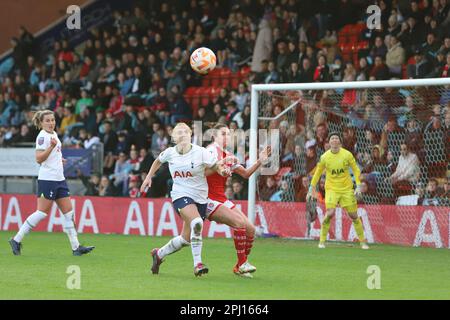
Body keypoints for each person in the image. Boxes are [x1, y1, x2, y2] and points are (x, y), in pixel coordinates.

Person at [140, 123, 231, 277]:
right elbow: (158, 161)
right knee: (197, 223)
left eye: (185, 132)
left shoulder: (200, 152)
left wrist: (223, 171)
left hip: (200, 198)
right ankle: (198, 264)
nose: (182, 134)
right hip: (180, 195)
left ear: (190, 135)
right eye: (179, 132)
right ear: (174, 138)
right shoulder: (170, 152)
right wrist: (148, 177)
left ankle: (159, 254)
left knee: (185, 239)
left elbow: (216, 166)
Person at [9, 110, 94, 256]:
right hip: (48, 179)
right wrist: (51, 148)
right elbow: (38, 158)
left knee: (69, 213)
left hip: (59, 178)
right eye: (47, 121)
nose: (51, 123)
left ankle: (76, 247)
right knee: (42, 213)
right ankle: (16, 239)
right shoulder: (42, 136)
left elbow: (51, 154)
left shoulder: (53, 134)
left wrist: (58, 159)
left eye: (53, 120)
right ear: (41, 123)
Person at [205, 124, 270, 278]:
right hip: (208, 198)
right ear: (214, 136)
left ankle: (240, 265)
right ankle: (242, 264)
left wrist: (260, 161)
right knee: (240, 224)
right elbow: (202, 172)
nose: (227, 137)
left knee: (251, 229)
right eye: (223, 134)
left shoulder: (228, 154)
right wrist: (222, 163)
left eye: (229, 134)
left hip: (221, 198)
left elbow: (246, 174)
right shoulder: (210, 151)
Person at [307, 132, 369, 250]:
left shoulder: (347, 155)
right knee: (330, 213)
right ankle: (321, 241)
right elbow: (317, 173)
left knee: (354, 216)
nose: (334, 140)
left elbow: (356, 170)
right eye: (332, 138)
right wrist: (311, 188)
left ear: (340, 142)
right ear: (329, 142)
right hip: (331, 189)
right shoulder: (324, 157)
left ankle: (363, 242)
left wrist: (358, 185)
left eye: (336, 138)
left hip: (346, 189)